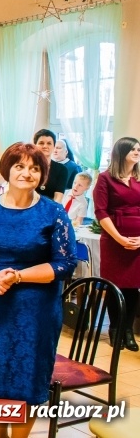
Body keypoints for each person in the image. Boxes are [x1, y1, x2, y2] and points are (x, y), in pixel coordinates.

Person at [0, 142, 77, 438]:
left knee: (26, 378)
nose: (27, 173)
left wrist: (16, 276)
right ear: (7, 170)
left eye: (34, 168)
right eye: (20, 166)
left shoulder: (53, 213)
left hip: (34, 309)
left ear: (43, 174)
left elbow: (64, 263)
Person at [94, 137, 140, 352]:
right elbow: (101, 211)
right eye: (133, 149)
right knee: (116, 285)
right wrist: (118, 238)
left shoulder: (139, 178)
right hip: (114, 238)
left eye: (139, 149)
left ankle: (128, 331)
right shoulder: (105, 178)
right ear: (121, 152)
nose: (137, 152)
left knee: (134, 286)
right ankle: (114, 329)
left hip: (138, 239)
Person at [33, 129, 67, 202]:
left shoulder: (62, 170)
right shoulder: (29, 166)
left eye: (49, 143)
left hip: (50, 209)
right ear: (35, 145)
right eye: (41, 143)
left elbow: (58, 197)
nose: (45, 146)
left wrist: (51, 211)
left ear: (54, 146)